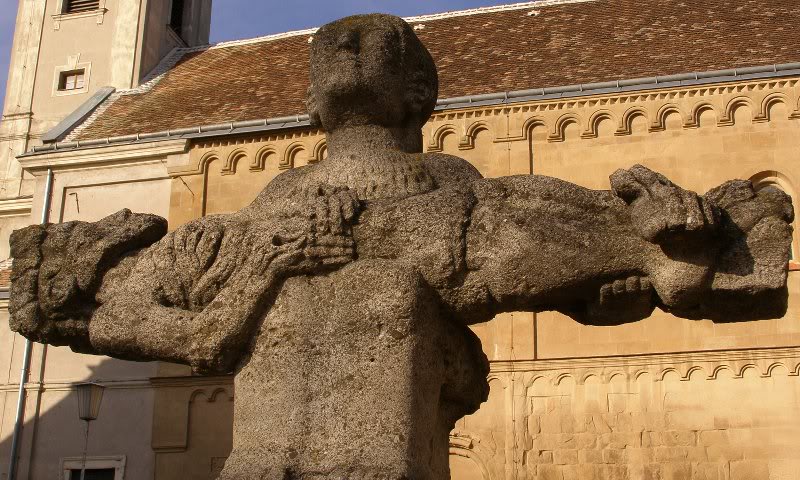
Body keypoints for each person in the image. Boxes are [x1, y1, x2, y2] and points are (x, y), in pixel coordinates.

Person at [9, 14, 793, 480]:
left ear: (422, 95)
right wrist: (270, 265)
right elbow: (201, 323)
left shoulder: (462, 193)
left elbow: (526, 234)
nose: (348, 43)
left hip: (421, 298)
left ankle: (678, 253)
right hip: (292, 400)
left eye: (372, 49)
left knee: (491, 227)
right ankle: (674, 255)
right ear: (313, 104)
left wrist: (635, 271)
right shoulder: (230, 233)